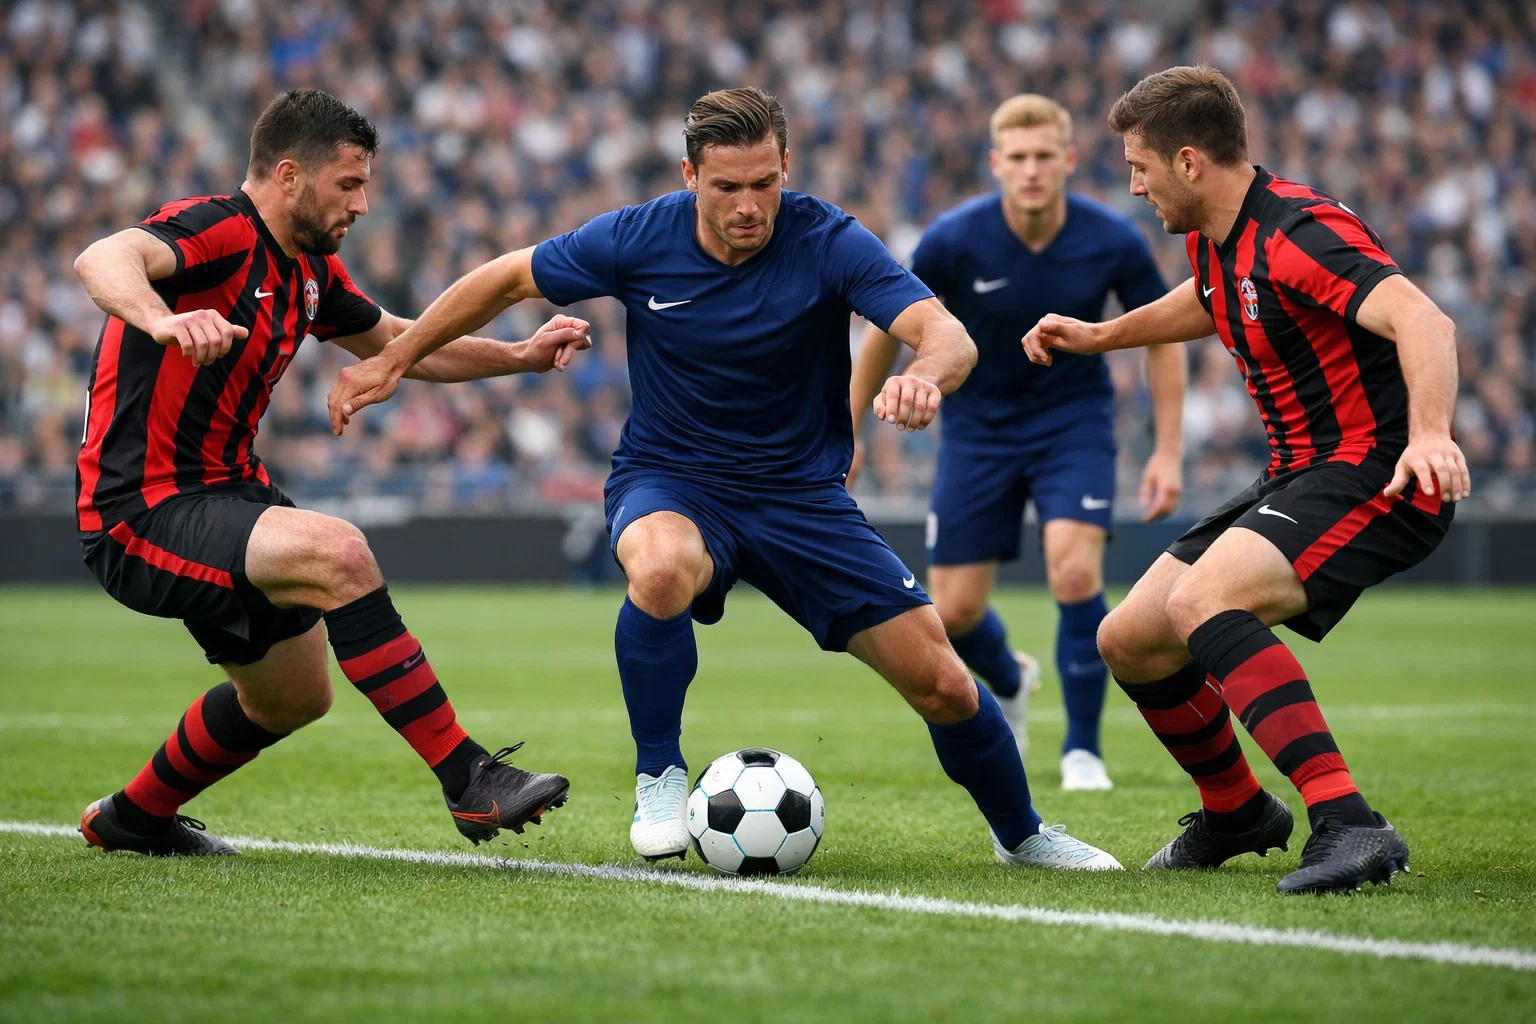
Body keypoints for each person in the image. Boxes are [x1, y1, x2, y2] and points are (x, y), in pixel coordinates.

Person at [329, 87, 1121, 871]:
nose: (748, 206)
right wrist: (396, 358)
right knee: (660, 567)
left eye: (764, 184)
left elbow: (946, 334)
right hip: (672, 481)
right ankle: (659, 776)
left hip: (801, 498)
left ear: (787, 166)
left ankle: (1023, 835)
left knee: (944, 683)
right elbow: (505, 279)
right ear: (689, 176)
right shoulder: (638, 236)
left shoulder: (829, 239)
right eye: (727, 187)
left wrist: (925, 377)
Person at [72, 89, 586, 856]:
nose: (363, 204)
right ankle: (470, 780)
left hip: (227, 495)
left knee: (293, 698)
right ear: (289, 175)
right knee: (338, 552)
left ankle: (133, 817)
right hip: (139, 510)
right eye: (349, 185)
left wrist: (519, 355)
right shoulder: (218, 229)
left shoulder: (311, 270)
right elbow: (101, 258)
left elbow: (402, 343)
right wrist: (161, 318)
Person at [1024, 66, 1468, 894]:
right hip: (1298, 472)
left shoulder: (1301, 230)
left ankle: (1350, 823)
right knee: (1129, 639)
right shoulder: (1217, 236)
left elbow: (1423, 319)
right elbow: (1211, 297)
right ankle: (1237, 813)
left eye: (1140, 167)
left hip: (1378, 468)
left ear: (1189, 162)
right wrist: (1101, 336)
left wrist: (1431, 434)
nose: (1135, 185)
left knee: (1204, 601)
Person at [849, 95, 1184, 791]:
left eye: (1044, 157)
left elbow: (1165, 334)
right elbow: (886, 325)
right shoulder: (951, 240)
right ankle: (1010, 678)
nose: (1032, 170)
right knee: (954, 611)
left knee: (1074, 571)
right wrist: (845, 430)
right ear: (996, 163)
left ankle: (1082, 751)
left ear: (1068, 161)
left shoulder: (1112, 239)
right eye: (1019, 158)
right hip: (978, 429)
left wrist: (1168, 449)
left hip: (1074, 425)